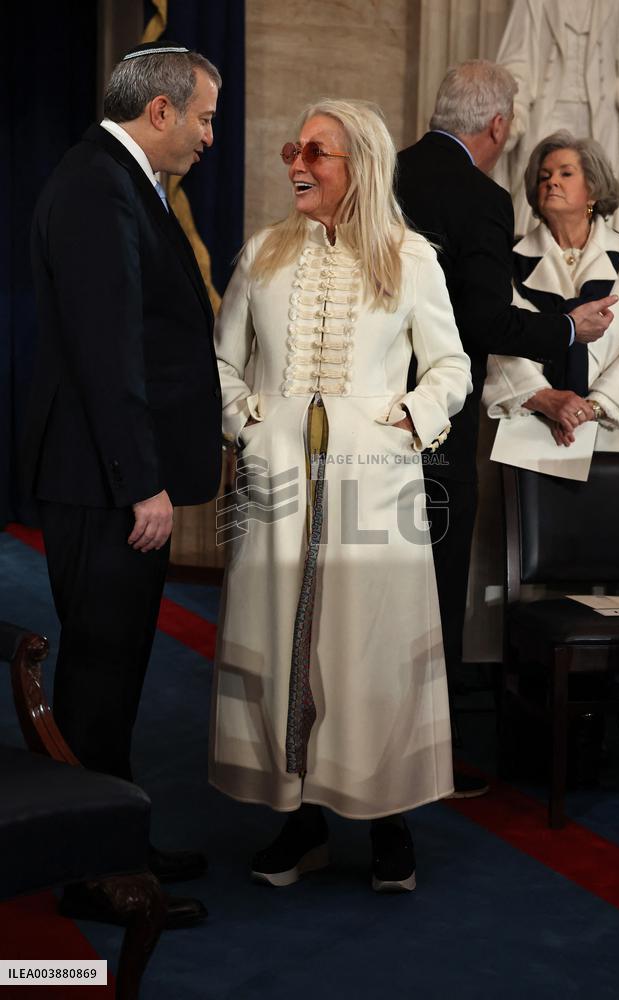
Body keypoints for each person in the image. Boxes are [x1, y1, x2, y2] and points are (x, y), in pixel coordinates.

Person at [210, 99, 472, 893]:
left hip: (376, 493)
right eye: (294, 149)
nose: (297, 164)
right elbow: (222, 362)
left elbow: (452, 369)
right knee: (287, 646)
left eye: (317, 153)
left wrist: (405, 421)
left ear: (360, 163)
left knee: (370, 650)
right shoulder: (261, 255)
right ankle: (302, 820)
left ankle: (388, 821)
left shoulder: (412, 258)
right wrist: (250, 423)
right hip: (279, 489)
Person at [24, 41, 223, 928]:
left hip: (108, 478)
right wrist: (142, 482)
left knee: (117, 671)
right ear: (161, 111)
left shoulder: (115, 178)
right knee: (101, 678)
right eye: (206, 117)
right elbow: (110, 353)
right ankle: (93, 872)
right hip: (105, 484)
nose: (211, 136)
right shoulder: (98, 183)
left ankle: (116, 843)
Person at [395, 61, 617, 797]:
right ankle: (426, 759)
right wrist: (566, 330)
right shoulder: (480, 200)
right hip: (437, 422)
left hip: (374, 414)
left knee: (377, 590)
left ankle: (361, 746)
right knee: (434, 586)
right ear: (496, 126)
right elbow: (482, 322)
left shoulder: (385, 174)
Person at [483, 131, 619, 461]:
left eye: (565, 173)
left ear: (593, 190)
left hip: (611, 434)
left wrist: (596, 405)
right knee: (532, 515)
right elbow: (492, 336)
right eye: (544, 176)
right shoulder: (507, 263)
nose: (552, 182)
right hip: (530, 432)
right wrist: (544, 398)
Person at [494, 0, 619, 243]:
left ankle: (589, 251)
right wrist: (515, 111)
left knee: (593, 195)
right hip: (547, 112)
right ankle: (538, 257)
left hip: (600, 119)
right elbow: (517, 63)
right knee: (544, 187)